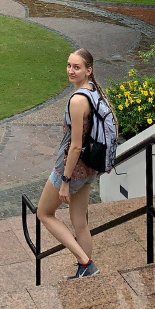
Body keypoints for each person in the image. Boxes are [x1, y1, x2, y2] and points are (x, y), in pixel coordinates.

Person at [36, 47, 107, 279]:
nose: (71, 70)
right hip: (89, 168)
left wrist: (65, 181)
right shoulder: (94, 91)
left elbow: (75, 146)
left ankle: (85, 262)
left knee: (44, 213)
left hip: (71, 169)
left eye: (76, 67)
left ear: (89, 70)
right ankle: (84, 273)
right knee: (80, 223)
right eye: (69, 65)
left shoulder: (77, 101)